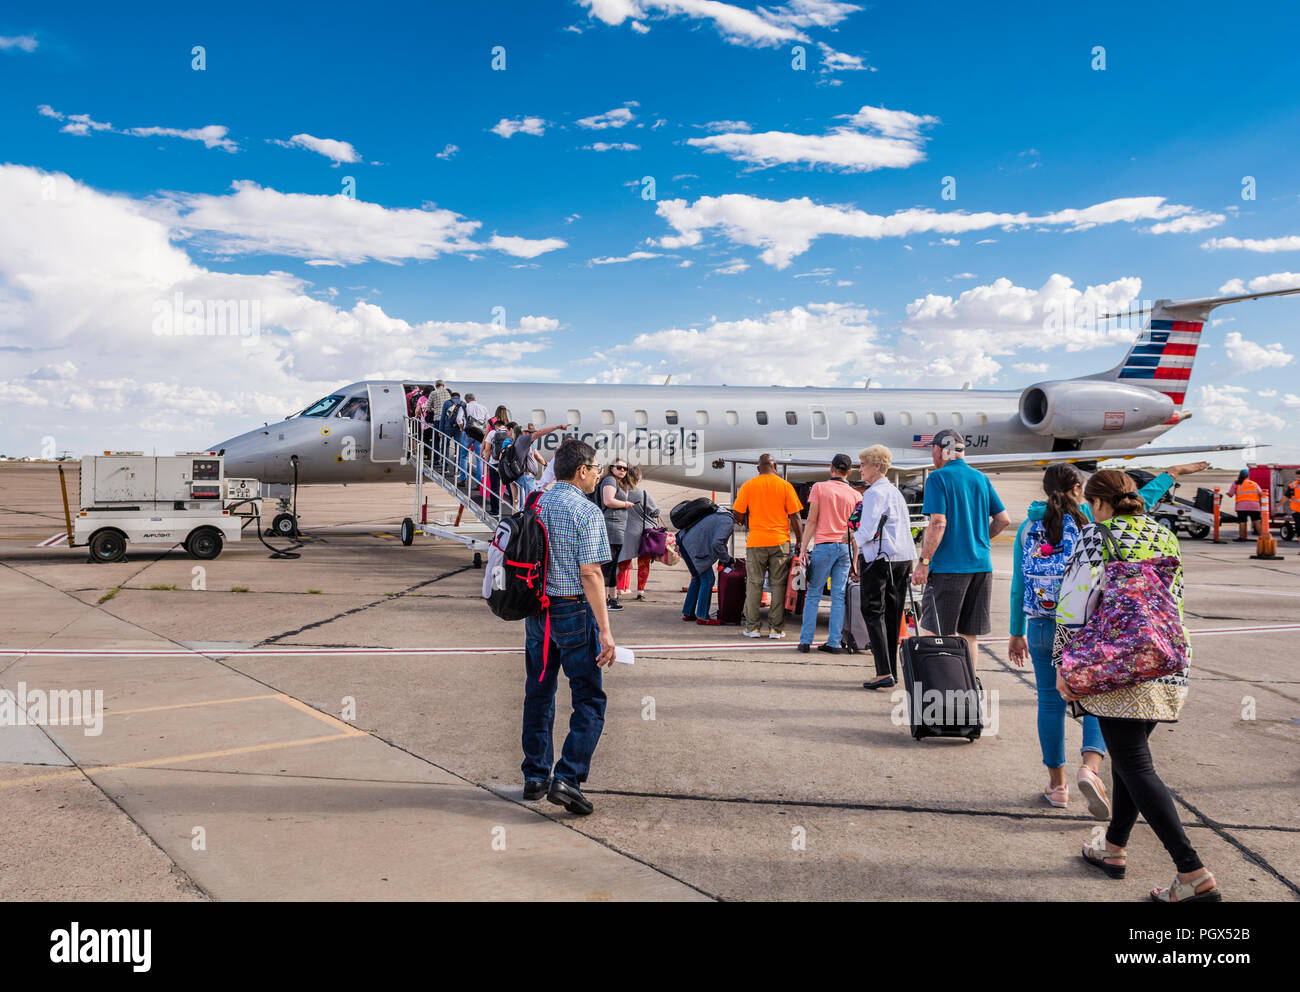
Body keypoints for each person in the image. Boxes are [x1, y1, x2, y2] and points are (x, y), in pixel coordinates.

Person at [1055, 469, 1220, 902]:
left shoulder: (1097, 535)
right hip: (1165, 661)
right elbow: (1176, 596)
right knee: (1129, 761)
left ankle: (1193, 872)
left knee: (1136, 766)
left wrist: (1065, 665)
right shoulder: (1163, 535)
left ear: (1098, 503)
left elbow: (1073, 606)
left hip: (1116, 666)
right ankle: (1113, 849)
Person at [1009, 461, 1208, 811]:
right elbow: (1133, 500)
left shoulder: (1028, 526)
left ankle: (1057, 787)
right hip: (1093, 629)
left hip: (1040, 623)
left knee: (1048, 704)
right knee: (1099, 703)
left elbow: (1018, 584)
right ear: (1078, 490)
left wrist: (1016, 631)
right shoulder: (1092, 519)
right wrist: (1170, 475)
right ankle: (1091, 768)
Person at [521, 439, 617, 816]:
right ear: (582, 471)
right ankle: (568, 777)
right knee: (589, 699)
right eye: (595, 468)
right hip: (573, 613)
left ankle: (536, 775)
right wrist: (605, 630)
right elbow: (591, 573)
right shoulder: (586, 511)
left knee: (539, 693)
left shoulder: (536, 502)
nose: (598, 474)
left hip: (537, 614)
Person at [913, 430, 1011, 668]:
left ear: (939, 450)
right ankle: (968, 687)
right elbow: (1003, 519)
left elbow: (938, 522)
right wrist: (979, 540)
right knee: (969, 636)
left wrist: (924, 562)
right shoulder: (980, 478)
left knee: (934, 631)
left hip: (949, 568)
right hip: (981, 567)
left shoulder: (938, 478)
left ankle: (941, 688)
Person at [851, 446, 917, 689]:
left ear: (877, 466)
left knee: (872, 610)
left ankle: (883, 671)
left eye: (864, 464)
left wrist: (852, 540)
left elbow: (867, 531)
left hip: (880, 558)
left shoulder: (874, 493)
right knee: (892, 613)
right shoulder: (893, 491)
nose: (861, 468)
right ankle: (891, 670)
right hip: (901, 557)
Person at [732, 453, 803, 639]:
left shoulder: (749, 486)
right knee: (778, 585)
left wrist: (743, 519)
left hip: (756, 542)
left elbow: (737, 513)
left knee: (754, 584)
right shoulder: (785, 486)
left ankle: (753, 627)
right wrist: (801, 542)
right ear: (776, 466)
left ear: (758, 469)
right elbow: (795, 516)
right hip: (780, 542)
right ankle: (775, 629)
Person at [796, 454, 860, 654]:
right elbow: (856, 530)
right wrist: (855, 559)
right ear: (849, 472)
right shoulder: (857, 495)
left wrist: (802, 549)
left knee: (813, 593)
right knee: (838, 596)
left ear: (831, 468)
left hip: (824, 545)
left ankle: (806, 641)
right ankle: (833, 642)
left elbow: (812, 520)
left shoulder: (819, 488)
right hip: (845, 548)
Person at [679, 506, 735, 625]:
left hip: (685, 542)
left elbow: (719, 541)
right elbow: (717, 543)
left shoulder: (721, 514)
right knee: (708, 579)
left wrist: (724, 557)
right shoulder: (728, 521)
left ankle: (688, 612)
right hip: (693, 547)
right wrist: (728, 559)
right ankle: (702, 616)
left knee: (698, 578)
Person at [617, 466, 661, 601]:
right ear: (639, 478)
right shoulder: (644, 494)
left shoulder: (618, 492)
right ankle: (640, 591)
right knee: (644, 564)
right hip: (643, 535)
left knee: (622, 563)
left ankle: (615, 590)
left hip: (625, 533)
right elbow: (654, 512)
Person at [598, 458, 634, 611]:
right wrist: (626, 504)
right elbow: (608, 501)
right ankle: (605, 598)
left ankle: (612, 598)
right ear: (611, 468)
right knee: (608, 565)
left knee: (613, 566)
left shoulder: (616, 482)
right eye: (619, 467)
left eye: (625, 469)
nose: (622, 471)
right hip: (611, 528)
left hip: (617, 528)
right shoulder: (610, 481)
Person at [509, 422, 568, 501]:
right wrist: (558, 426)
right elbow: (540, 433)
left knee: (526, 505)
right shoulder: (524, 439)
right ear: (524, 432)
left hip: (524, 477)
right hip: (527, 478)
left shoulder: (520, 441)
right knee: (531, 504)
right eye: (530, 433)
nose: (533, 435)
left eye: (533, 432)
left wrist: (545, 463)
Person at [458, 392, 489, 491]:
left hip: (467, 434)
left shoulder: (464, 407)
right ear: (475, 399)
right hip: (479, 434)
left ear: (467, 400)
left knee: (463, 456)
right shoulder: (483, 408)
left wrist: (462, 429)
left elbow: (459, 420)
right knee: (479, 458)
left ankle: (463, 480)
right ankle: (479, 483)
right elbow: (488, 421)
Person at [1228, 469, 1262, 540]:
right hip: (1254, 506)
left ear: (1239, 475)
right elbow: (1261, 493)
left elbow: (1231, 494)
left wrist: (1227, 494)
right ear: (1248, 476)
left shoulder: (1236, 483)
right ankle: (1263, 537)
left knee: (1242, 521)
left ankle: (1242, 537)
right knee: (1257, 521)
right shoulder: (1254, 483)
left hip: (1242, 506)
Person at [1288, 470, 1300, 544]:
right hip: (1296, 511)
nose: (1298, 478)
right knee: (1299, 529)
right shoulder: (1293, 485)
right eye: (1297, 476)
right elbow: (1288, 496)